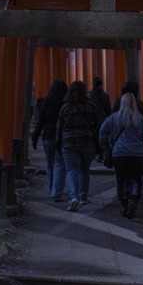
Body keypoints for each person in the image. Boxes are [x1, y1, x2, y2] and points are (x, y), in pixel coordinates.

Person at [99, 92, 143, 219]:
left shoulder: (114, 118)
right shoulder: (140, 119)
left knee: (122, 179)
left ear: (121, 103)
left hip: (119, 153)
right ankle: (134, 198)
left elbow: (102, 132)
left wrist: (106, 148)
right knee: (135, 179)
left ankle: (124, 204)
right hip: (137, 154)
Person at [56, 80, 103, 211]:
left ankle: (73, 197)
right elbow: (96, 125)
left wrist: (58, 144)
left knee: (72, 170)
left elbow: (59, 129)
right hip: (87, 142)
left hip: (69, 142)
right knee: (84, 169)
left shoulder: (65, 108)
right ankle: (83, 197)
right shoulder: (91, 107)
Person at [30, 80, 68, 201]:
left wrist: (35, 138)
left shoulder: (47, 102)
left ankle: (52, 189)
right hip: (62, 137)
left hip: (48, 136)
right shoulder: (66, 103)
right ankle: (57, 191)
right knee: (60, 165)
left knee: (50, 164)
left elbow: (40, 121)